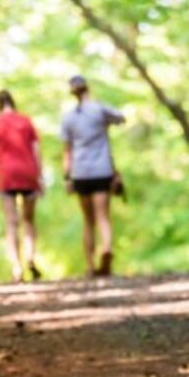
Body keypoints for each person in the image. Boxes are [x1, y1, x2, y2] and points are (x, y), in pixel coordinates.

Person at [60, 75, 125, 278]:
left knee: (88, 220)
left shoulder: (68, 117)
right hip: (102, 169)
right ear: (87, 88)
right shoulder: (99, 109)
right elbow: (121, 117)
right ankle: (106, 248)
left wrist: (67, 177)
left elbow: (67, 151)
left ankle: (90, 264)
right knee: (103, 216)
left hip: (80, 172)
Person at [0, 89, 43, 282]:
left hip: (6, 176)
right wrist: (39, 177)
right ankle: (31, 258)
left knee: (11, 223)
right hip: (28, 174)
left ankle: (17, 267)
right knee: (29, 221)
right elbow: (36, 150)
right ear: (13, 102)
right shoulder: (26, 121)